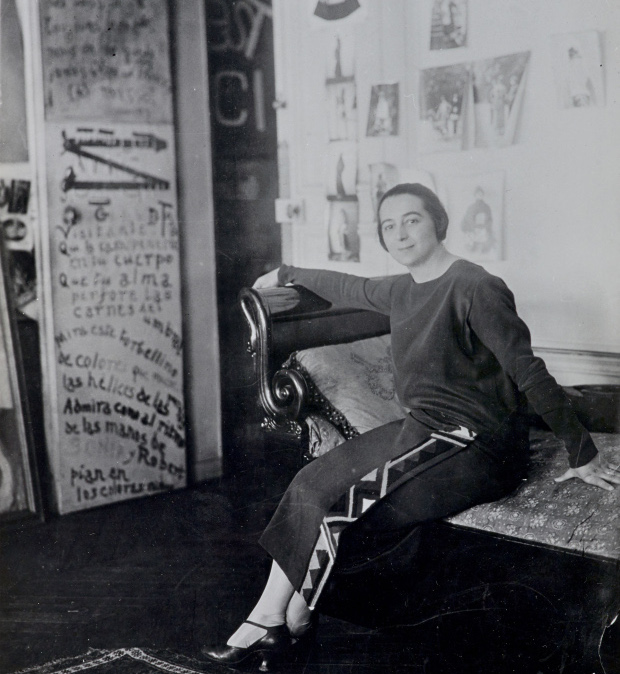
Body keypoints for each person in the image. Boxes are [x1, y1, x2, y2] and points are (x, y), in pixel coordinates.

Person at [201, 183, 618, 670]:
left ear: (438, 222)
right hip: (422, 428)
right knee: (310, 482)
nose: (400, 233)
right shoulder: (401, 290)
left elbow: (529, 372)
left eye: (412, 219)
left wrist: (582, 453)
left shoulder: (475, 286)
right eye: (388, 225)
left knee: (343, 508)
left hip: (478, 445)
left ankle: (272, 621)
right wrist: (288, 272)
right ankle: (286, 619)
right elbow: (345, 286)